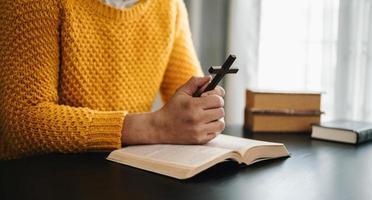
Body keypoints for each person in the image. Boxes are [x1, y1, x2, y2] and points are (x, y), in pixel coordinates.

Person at [0, 0, 225, 160]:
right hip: (40, 176)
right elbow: (22, 120)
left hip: (129, 170)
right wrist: (154, 126)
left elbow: (187, 105)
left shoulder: (169, 6)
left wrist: (198, 115)